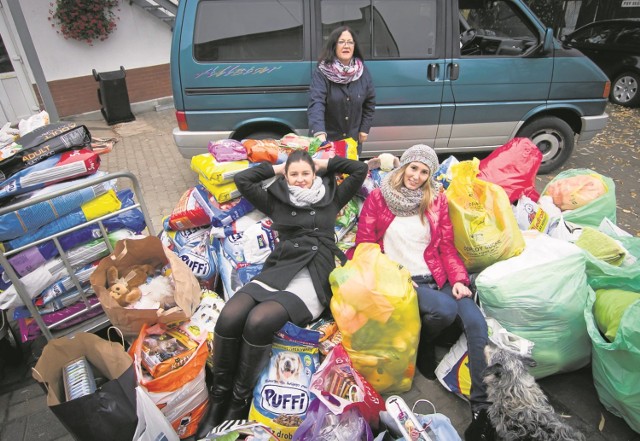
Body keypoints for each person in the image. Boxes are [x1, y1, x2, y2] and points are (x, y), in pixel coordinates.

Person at [197, 151, 368, 436]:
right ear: (286, 177)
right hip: (280, 267)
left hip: (314, 274)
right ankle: (219, 398)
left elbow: (358, 169)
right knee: (230, 315)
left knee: (259, 321)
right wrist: (277, 168)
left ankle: (239, 401)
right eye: (294, 174)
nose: (300, 180)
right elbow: (243, 179)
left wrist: (323, 163)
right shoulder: (277, 200)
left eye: (306, 174)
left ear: (315, 174)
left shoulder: (332, 196)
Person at [353, 144, 496, 441]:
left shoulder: (436, 200)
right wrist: (396, 274)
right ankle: (425, 345)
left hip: (438, 274)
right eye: (413, 168)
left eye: (424, 171)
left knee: (476, 323)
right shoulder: (379, 198)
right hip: (402, 280)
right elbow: (366, 246)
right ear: (403, 166)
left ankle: (482, 409)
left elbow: (446, 246)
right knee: (444, 311)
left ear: (430, 176)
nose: (416, 176)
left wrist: (458, 279)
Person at [308, 26, 376, 154]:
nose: (346, 46)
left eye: (350, 42)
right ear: (334, 45)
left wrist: (364, 129)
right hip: (327, 142)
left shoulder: (362, 71)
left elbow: (370, 102)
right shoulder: (322, 72)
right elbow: (316, 103)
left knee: (351, 174)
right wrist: (319, 134)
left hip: (352, 142)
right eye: (341, 42)